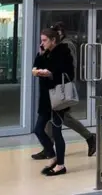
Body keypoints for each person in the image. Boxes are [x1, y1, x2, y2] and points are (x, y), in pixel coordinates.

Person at [31, 22, 97, 160]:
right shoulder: (50, 48)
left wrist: (53, 73)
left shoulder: (66, 47)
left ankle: (88, 137)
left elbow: (68, 68)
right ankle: (49, 148)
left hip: (61, 89)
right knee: (54, 119)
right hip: (51, 91)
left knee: (63, 118)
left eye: (56, 33)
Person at [32, 28, 73, 176]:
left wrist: (51, 74)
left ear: (53, 40)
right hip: (45, 98)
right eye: (41, 40)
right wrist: (40, 55)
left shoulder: (64, 53)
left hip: (58, 98)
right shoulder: (46, 53)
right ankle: (52, 155)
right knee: (38, 129)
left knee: (56, 132)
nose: (42, 43)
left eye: (44, 40)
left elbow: (68, 74)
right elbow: (36, 66)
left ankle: (60, 165)